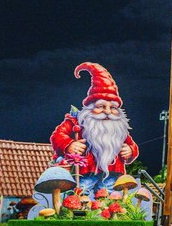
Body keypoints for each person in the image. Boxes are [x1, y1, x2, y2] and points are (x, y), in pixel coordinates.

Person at [50, 63, 139, 196]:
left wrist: (130, 150)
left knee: (109, 196)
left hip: (111, 173)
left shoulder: (119, 129)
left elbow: (131, 145)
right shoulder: (76, 122)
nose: (107, 112)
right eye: (101, 106)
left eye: (113, 107)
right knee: (82, 193)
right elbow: (57, 136)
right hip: (85, 172)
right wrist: (69, 144)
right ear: (90, 108)